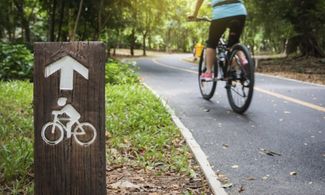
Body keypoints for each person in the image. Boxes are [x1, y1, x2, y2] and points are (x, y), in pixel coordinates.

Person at [188, 0, 248, 81]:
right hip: (240, 12)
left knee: (212, 44)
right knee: (234, 43)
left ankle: (208, 72)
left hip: (221, 14)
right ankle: (243, 60)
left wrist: (195, 15)